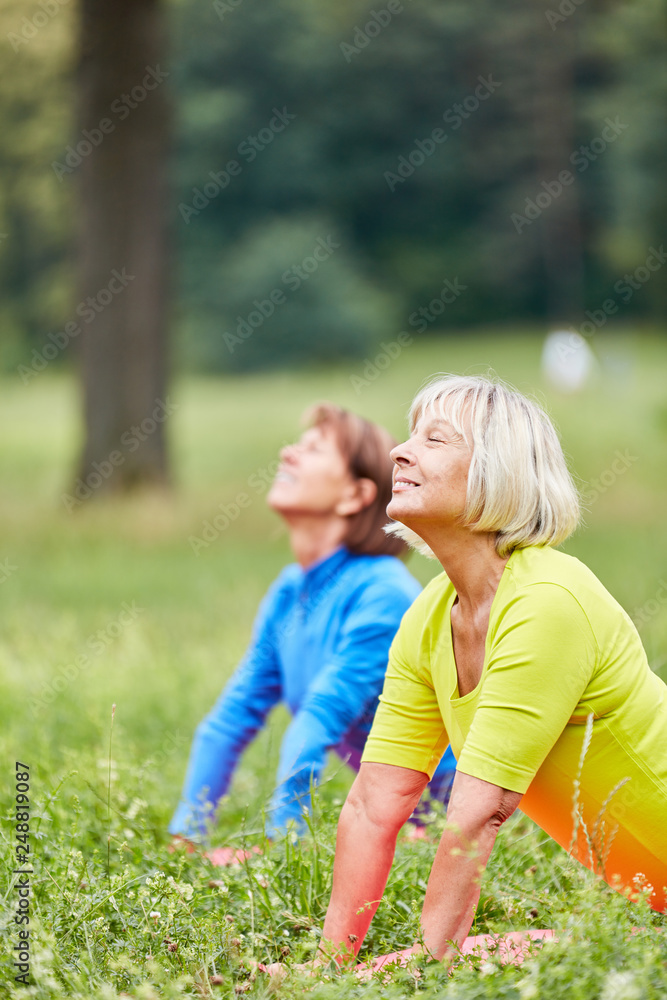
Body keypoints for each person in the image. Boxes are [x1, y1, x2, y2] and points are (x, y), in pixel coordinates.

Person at [314, 374, 667, 969]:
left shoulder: (548, 599)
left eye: (436, 439)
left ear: (495, 473)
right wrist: (328, 968)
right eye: (409, 436)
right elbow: (375, 801)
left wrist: (428, 971)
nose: (401, 451)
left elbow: (478, 813)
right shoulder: (429, 616)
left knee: (445, 959)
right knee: (500, 954)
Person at [169, 402, 457, 861]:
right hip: (403, 824)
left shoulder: (383, 593)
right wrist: (186, 840)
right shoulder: (290, 592)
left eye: (313, 449)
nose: (288, 454)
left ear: (354, 495)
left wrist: (283, 854)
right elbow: (230, 720)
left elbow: (315, 724)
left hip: (462, 823)